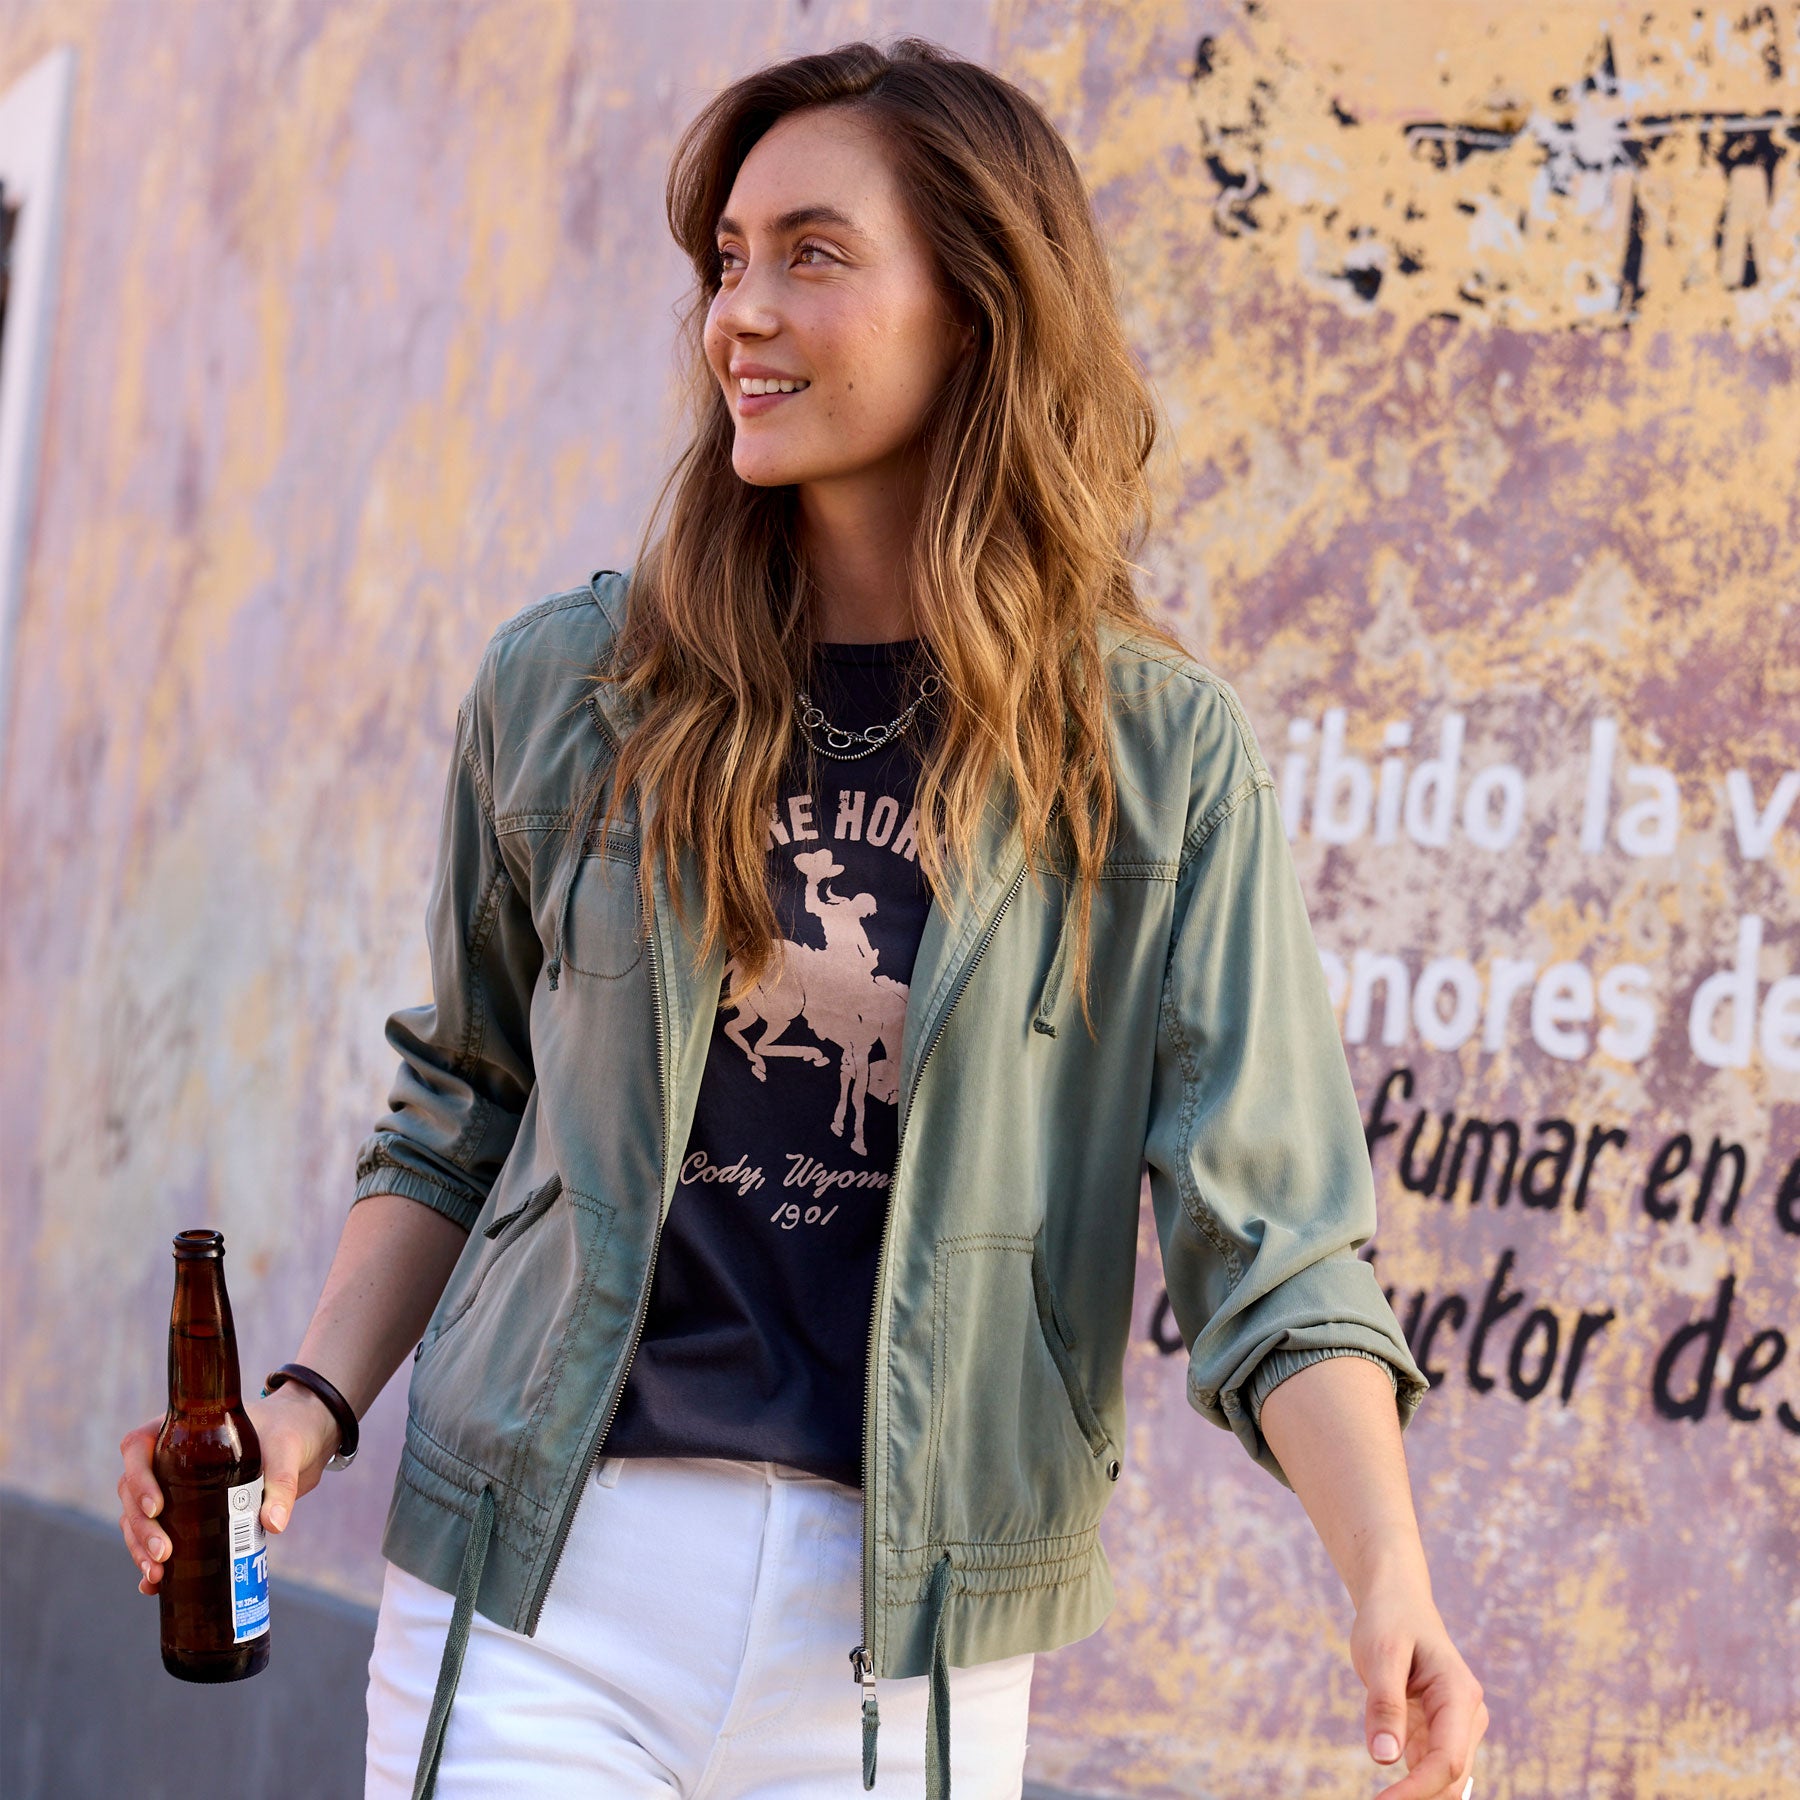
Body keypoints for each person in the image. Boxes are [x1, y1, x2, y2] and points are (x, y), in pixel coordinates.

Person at [118, 36, 1488, 1800]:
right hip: (544, 1592)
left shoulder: (1149, 759)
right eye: (727, 260)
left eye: (813, 254)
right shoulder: (574, 690)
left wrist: (1387, 1575)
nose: (739, 313)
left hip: (904, 1645)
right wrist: (304, 1408)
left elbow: (1274, 1236)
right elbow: (461, 1102)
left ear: (977, 309)